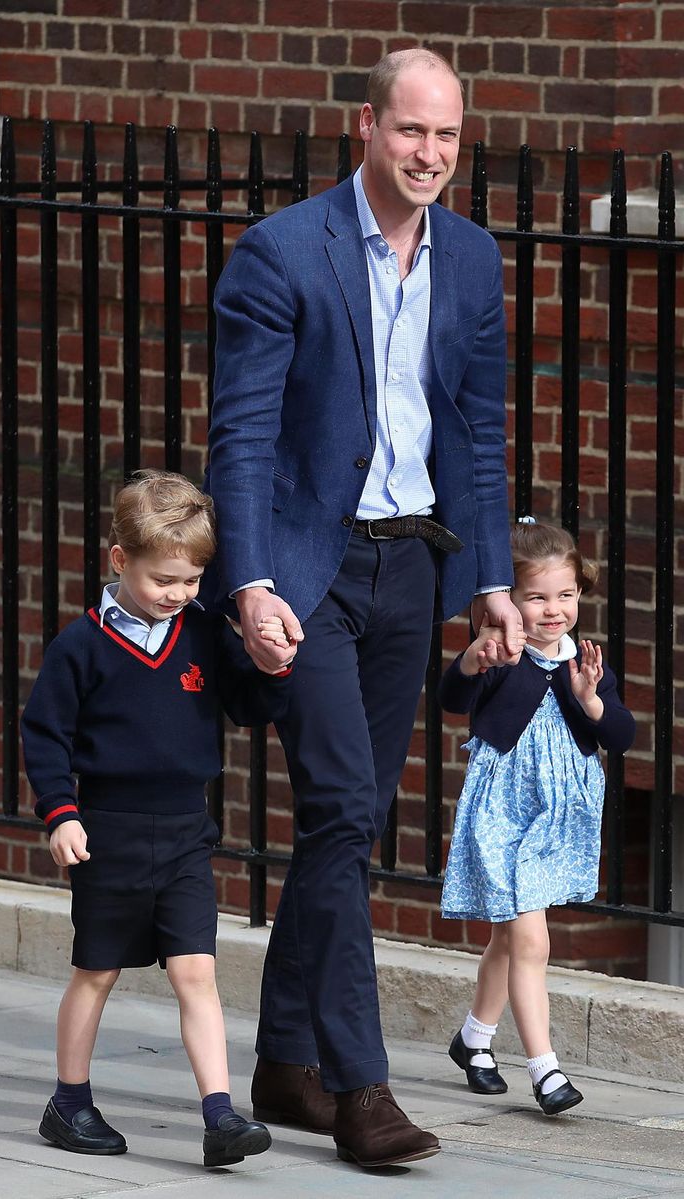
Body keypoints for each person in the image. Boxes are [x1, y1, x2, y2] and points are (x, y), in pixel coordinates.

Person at [205, 47, 522, 1168]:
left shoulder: (475, 262)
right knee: (341, 806)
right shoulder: (282, 253)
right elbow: (240, 437)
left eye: (446, 136)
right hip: (309, 575)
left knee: (350, 820)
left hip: (412, 571)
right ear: (368, 129)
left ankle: (285, 1057)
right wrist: (247, 583)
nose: (429, 154)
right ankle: (359, 1084)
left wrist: (488, 575)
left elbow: (477, 433)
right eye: (410, 131)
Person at [21, 470, 292, 1169]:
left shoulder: (203, 631)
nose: (177, 593)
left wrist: (273, 666)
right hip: (106, 831)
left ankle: (220, 1116)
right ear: (119, 560)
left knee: (196, 971)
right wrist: (60, 813)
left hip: (183, 834)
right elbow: (44, 733)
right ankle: (69, 1101)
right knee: (96, 969)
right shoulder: (80, 645)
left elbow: (249, 706)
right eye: (162, 578)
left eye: (192, 579)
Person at [439, 520, 635, 1115]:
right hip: (505, 809)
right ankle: (545, 1069)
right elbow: (453, 699)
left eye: (566, 595)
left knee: (509, 935)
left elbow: (621, 735)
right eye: (537, 597)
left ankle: (474, 1040)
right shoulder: (505, 652)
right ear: (510, 600)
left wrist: (592, 700)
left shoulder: (586, 661)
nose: (555, 610)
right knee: (531, 939)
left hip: (558, 816)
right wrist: (474, 659)